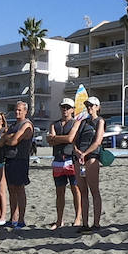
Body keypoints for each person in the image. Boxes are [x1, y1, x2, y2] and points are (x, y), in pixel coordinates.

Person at [47, 97, 83, 229]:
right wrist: (57, 139)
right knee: (59, 191)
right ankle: (59, 220)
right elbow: (50, 141)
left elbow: (70, 138)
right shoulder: (54, 124)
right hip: (58, 160)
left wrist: (55, 138)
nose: (65, 110)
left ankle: (77, 218)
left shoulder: (76, 123)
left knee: (75, 189)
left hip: (71, 159)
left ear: (72, 109)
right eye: (63, 107)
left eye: (68, 108)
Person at [74, 95, 106, 231]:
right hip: (79, 157)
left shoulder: (100, 121)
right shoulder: (83, 122)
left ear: (97, 107)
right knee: (83, 191)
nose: (89, 108)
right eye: (87, 105)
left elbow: (98, 141)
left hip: (91, 156)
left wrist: (85, 153)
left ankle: (96, 223)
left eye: (91, 106)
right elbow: (74, 139)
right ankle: (85, 223)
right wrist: (77, 151)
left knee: (94, 190)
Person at [1, 99, 35, 228]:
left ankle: (21, 219)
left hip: (20, 159)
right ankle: (13, 217)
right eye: (16, 109)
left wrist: (9, 137)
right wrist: (9, 137)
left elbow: (13, 141)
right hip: (9, 159)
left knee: (20, 189)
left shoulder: (27, 125)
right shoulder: (14, 125)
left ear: (25, 111)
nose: (17, 112)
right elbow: (3, 139)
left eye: (20, 110)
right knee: (11, 189)